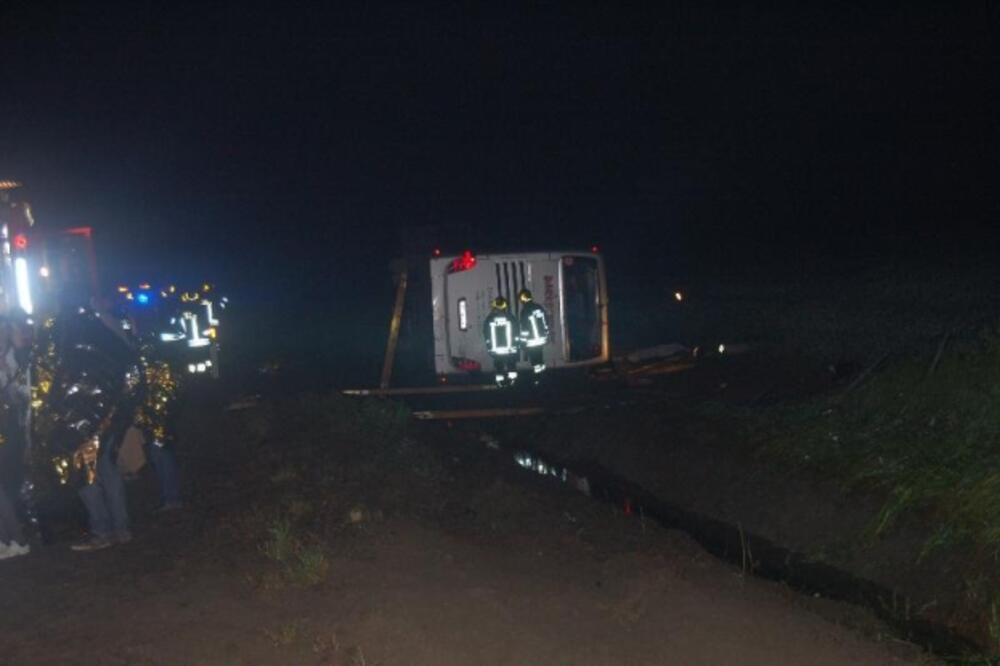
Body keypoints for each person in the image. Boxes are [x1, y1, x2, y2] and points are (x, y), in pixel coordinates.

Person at [47, 306, 145, 552]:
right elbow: (129, 375)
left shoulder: (71, 348)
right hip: (108, 419)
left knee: (85, 475)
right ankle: (121, 529)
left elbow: (66, 389)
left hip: (83, 423)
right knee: (108, 471)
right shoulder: (106, 339)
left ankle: (101, 531)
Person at [0, 317, 30, 560]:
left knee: (4, 488)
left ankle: (16, 539)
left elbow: (20, 396)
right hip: (10, 427)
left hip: (8, 428)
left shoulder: (16, 360)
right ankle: (6, 539)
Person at [483, 296, 520, 387]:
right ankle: (512, 383)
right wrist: (516, 346)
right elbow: (517, 331)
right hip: (510, 350)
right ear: (505, 306)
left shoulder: (489, 319)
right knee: (511, 366)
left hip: (496, 351)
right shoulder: (511, 317)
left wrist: (489, 347)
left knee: (499, 367)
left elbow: (486, 333)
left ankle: (500, 384)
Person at [517, 289, 550, 376]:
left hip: (532, 341)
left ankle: (538, 378)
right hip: (541, 339)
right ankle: (542, 374)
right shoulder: (539, 307)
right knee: (540, 358)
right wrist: (546, 334)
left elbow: (525, 329)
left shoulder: (525, 311)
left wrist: (522, 343)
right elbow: (546, 321)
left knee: (535, 361)